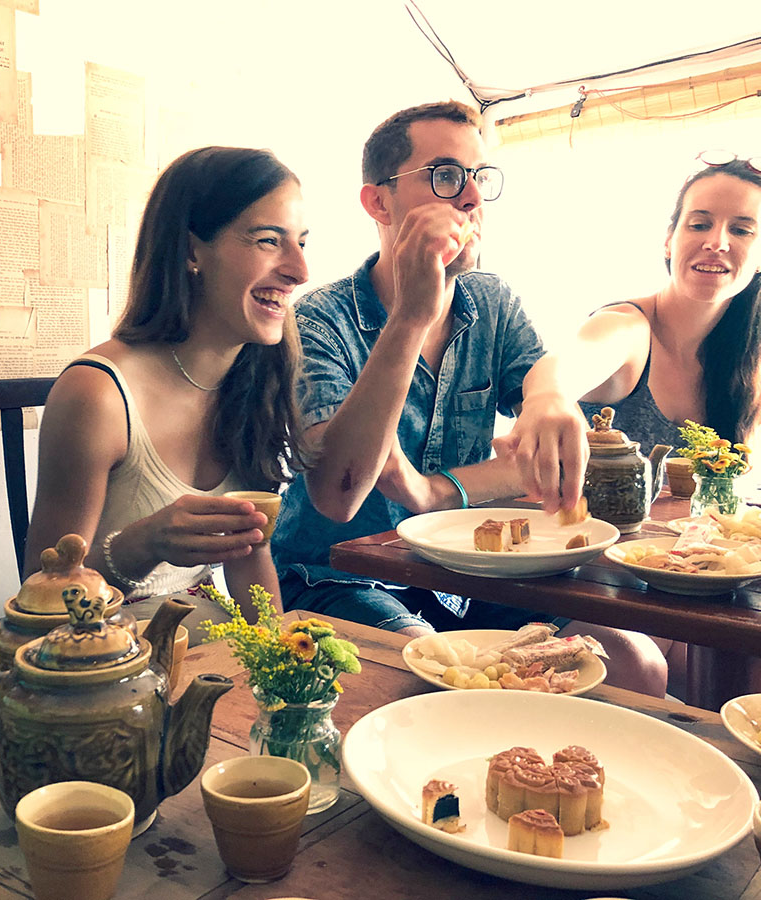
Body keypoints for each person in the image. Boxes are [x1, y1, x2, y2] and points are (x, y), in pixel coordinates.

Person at [269, 101, 667, 694]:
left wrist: (547, 399)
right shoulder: (319, 321)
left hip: (464, 576)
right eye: (447, 176)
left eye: (480, 177)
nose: (473, 199)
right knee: (447, 677)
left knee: (634, 662)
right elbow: (338, 496)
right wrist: (410, 316)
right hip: (336, 578)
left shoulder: (491, 301)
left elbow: (532, 453)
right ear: (378, 202)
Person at [510, 153, 761, 697]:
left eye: (741, 229)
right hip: (583, 588)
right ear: (669, 239)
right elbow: (570, 362)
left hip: (680, 588)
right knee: (640, 666)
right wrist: (546, 395)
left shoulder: (750, 367)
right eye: (700, 223)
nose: (717, 241)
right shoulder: (628, 328)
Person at [23, 146, 312, 630]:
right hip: (98, 668)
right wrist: (147, 541)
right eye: (268, 241)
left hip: (201, 643)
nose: (299, 271)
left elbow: (248, 557)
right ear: (191, 251)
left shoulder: (254, 379)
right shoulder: (98, 395)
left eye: (302, 242)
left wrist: (282, 668)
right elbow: (43, 594)